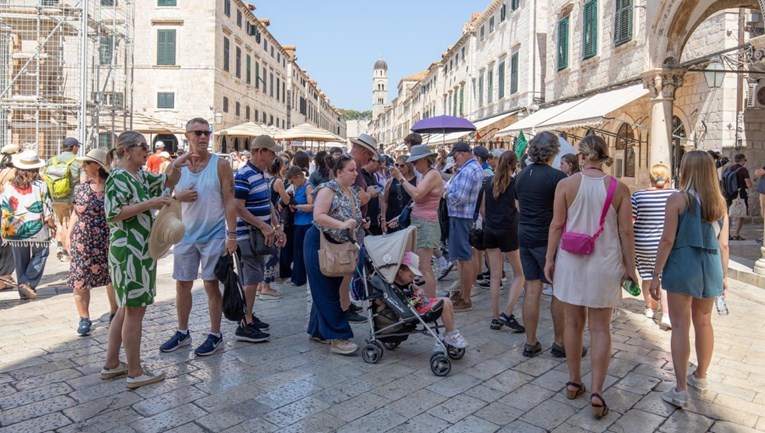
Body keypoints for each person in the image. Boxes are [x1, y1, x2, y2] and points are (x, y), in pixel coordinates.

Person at [544, 135, 637, 419]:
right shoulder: (620, 189)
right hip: (605, 264)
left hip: (572, 262)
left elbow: (557, 224)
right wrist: (630, 265)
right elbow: (625, 231)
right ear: (605, 156)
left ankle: (574, 381)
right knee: (600, 328)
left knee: (573, 323)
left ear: (581, 157)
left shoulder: (565, 185)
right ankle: (597, 392)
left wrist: (549, 259)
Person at [101, 131, 184, 389]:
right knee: (135, 310)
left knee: (125, 309)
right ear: (127, 150)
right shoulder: (119, 177)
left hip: (137, 250)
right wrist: (149, 204)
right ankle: (135, 372)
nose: (146, 151)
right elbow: (113, 214)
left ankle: (112, 364)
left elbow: (167, 180)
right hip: (130, 251)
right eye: (142, 147)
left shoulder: (138, 175)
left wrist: (177, 164)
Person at [650, 150, 729, 408]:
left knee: (681, 326)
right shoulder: (720, 202)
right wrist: (725, 276)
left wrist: (655, 274)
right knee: (704, 323)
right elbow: (724, 245)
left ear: (686, 170)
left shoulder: (677, 200)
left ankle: (680, 388)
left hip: (683, 266)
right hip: (711, 266)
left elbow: (667, 240)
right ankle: (701, 378)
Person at [159, 118, 238, 357]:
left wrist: (231, 234)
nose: (203, 137)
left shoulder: (220, 164)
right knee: (182, 284)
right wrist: (177, 197)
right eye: (198, 133)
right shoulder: (176, 167)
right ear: (187, 136)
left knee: (211, 284)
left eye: (207, 133)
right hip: (184, 234)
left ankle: (215, 335)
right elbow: (163, 196)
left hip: (213, 235)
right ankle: (182, 331)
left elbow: (229, 200)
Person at [514, 132, 569, 358]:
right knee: (559, 291)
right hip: (548, 240)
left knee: (532, 289)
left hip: (525, 236)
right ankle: (559, 343)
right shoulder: (558, 178)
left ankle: (530, 342)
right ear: (554, 152)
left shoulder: (521, 175)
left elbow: (518, 205)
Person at [306, 154, 362, 354]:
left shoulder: (352, 191)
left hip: (338, 246)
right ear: (339, 172)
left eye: (356, 169)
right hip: (319, 243)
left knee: (328, 288)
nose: (356, 173)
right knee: (327, 291)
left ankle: (318, 331)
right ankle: (339, 336)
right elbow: (318, 216)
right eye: (351, 170)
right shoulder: (328, 189)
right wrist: (342, 224)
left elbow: (351, 217)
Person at [234, 135, 286, 341]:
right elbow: (238, 207)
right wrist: (263, 226)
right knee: (253, 277)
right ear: (260, 151)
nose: (274, 156)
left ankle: (249, 316)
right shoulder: (244, 174)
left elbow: (268, 203)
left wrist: (275, 226)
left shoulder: (262, 174)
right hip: (248, 235)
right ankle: (245, 322)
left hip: (261, 234)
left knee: (256, 276)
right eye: (271, 151)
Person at [69, 149, 117, 336]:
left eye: (86, 164)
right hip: (82, 239)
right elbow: (75, 212)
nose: (83, 168)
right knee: (79, 279)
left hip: (106, 238)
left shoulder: (112, 187)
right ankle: (84, 318)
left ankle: (114, 312)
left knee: (111, 277)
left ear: (97, 165)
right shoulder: (81, 188)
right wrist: (68, 235)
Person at [390, 145, 444, 298]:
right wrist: (400, 216)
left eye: (415, 162)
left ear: (426, 160)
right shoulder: (425, 175)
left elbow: (417, 195)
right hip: (421, 222)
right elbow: (417, 202)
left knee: (424, 268)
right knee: (422, 267)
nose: (413, 166)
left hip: (426, 223)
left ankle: (430, 303)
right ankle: (428, 301)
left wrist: (400, 177)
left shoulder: (432, 175)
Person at [481, 151, 525, 333]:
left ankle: (495, 317)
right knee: (519, 274)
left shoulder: (489, 182)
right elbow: (519, 208)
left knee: (495, 276)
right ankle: (508, 312)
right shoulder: (515, 184)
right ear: (514, 165)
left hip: (490, 230)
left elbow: (482, 209)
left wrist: (491, 221)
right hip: (508, 231)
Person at [1, 150, 54, 300]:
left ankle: (23, 292)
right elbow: (47, 208)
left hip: (13, 229)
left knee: (20, 261)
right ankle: (27, 282)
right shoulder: (41, 184)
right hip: (35, 228)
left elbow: (3, 206)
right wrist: (52, 225)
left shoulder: (9, 184)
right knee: (42, 253)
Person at [632, 164, 675, 329]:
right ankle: (666, 314)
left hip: (642, 244)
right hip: (666, 244)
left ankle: (650, 308)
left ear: (649, 178)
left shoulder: (638, 196)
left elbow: (631, 221)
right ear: (668, 179)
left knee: (647, 275)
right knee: (664, 278)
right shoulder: (675, 195)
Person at [394, 252, 467, 348]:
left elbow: (419, 289)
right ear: (400, 272)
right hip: (415, 310)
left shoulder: (408, 282)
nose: (412, 279)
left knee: (447, 300)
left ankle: (451, 331)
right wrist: (416, 301)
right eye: (410, 276)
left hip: (422, 303)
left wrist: (419, 292)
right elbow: (403, 304)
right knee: (443, 304)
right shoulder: (396, 287)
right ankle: (451, 333)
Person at [445, 142, 484, 310]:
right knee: (463, 258)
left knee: (464, 258)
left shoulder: (468, 170)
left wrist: (445, 194)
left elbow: (458, 198)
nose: (455, 160)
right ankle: (463, 294)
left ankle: (465, 298)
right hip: (463, 217)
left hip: (461, 216)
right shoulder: (470, 168)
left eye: (455, 156)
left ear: (462, 154)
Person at [45, 137, 81, 262]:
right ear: (74, 147)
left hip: (54, 198)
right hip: (70, 198)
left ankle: (59, 247)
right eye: (78, 146)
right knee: (68, 223)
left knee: (60, 222)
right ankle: (66, 251)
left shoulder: (51, 160)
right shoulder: (77, 162)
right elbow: (82, 181)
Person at [285, 165, 313, 287]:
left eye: (293, 181)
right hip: (298, 223)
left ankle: (299, 279)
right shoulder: (298, 187)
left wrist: (298, 207)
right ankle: (296, 277)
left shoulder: (308, 187)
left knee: (301, 252)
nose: (293, 184)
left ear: (298, 177)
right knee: (297, 251)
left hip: (306, 224)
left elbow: (312, 206)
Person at [0, 144, 20, 292]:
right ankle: (4, 276)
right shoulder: (14, 173)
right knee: (9, 244)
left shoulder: (1, 169)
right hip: (7, 210)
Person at [381, 155, 415, 234]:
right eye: (396, 165)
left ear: (409, 166)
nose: (399, 167)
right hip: (391, 221)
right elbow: (384, 201)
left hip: (408, 220)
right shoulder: (390, 181)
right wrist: (383, 219)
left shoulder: (416, 181)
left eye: (402, 165)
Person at [724, 153, 752, 240]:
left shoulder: (728, 169)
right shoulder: (743, 170)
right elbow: (749, 184)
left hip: (728, 194)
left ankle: (728, 234)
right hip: (740, 194)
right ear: (742, 160)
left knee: (728, 214)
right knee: (740, 213)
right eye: (745, 160)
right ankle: (736, 234)